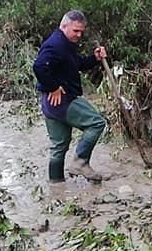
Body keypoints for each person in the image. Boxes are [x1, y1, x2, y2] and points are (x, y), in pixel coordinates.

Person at [32, 10, 108, 183]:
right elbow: (39, 67)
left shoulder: (65, 44)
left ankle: (56, 186)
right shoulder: (56, 45)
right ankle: (81, 162)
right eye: (76, 30)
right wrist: (53, 87)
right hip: (62, 101)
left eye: (81, 31)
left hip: (50, 105)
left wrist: (94, 59)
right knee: (97, 123)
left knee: (59, 146)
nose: (79, 35)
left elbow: (76, 64)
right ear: (64, 26)